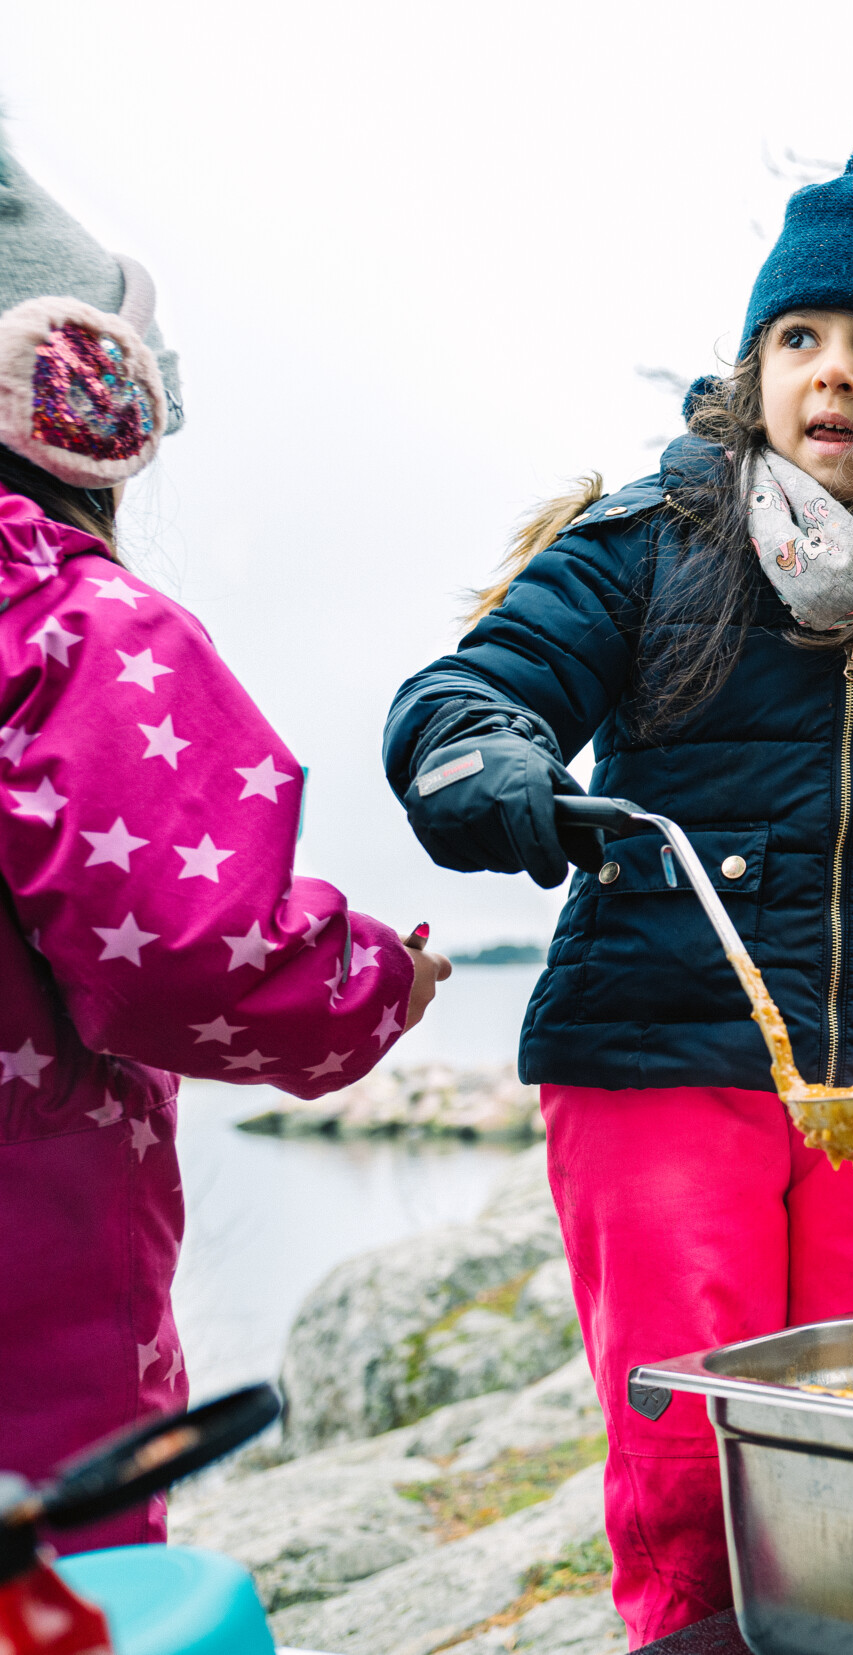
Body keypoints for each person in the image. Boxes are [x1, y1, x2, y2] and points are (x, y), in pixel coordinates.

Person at [383, 132, 853, 1644]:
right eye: (798, 336)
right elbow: (467, 688)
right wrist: (486, 759)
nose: (830, 370)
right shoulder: (652, 540)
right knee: (692, 1438)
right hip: (655, 1052)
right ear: (755, 361)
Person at [0, 124, 444, 1551]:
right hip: (34, 1344)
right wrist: (375, 977)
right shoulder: (73, 627)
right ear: (79, 397)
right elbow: (194, 951)